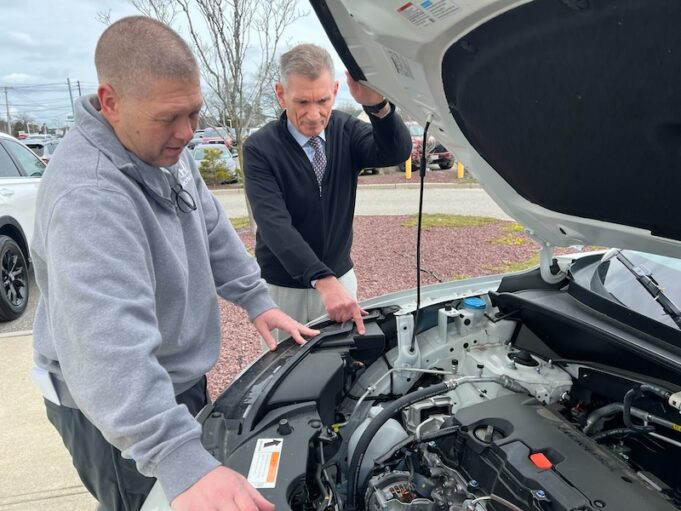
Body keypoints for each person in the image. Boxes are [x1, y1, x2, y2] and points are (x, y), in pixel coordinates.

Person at [31, 16, 317, 511]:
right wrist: (176, 455)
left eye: (194, 113)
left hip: (172, 382)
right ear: (111, 102)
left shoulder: (159, 147)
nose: (187, 133)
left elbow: (208, 224)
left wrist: (256, 299)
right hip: (118, 413)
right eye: (169, 118)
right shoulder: (89, 197)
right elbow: (108, 349)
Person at [243, 44, 412, 342]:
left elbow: (395, 151)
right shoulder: (260, 148)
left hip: (340, 279)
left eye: (322, 100)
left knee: (343, 358)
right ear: (281, 94)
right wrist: (322, 279)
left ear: (334, 91)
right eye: (302, 102)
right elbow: (273, 224)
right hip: (284, 288)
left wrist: (377, 106)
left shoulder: (346, 131)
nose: (313, 114)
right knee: (286, 366)